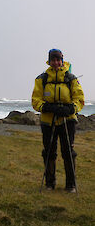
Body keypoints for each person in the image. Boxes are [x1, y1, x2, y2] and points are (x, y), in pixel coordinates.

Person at [32, 49, 84, 193]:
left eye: (58, 60)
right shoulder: (41, 79)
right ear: (49, 61)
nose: (56, 62)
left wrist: (70, 109)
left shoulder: (71, 78)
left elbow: (79, 99)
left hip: (68, 121)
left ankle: (71, 185)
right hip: (48, 121)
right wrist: (47, 107)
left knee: (68, 152)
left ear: (62, 60)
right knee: (49, 152)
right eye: (53, 60)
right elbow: (36, 100)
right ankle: (50, 183)